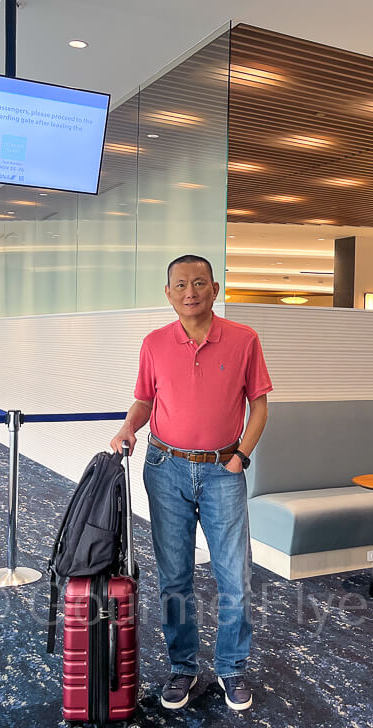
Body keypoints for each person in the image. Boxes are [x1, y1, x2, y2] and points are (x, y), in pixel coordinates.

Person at [111, 254, 272, 713]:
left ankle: (232, 666)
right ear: (168, 293)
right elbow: (144, 400)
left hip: (224, 470)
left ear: (214, 289)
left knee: (233, 574)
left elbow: (259, 406)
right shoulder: (155, 343)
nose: (190, 292)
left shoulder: (244, 339)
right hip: (165, 468)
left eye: (199, 283)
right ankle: (183, 666)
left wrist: (241, 455)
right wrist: (128, 428)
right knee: (174, 575)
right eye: (180, 285)